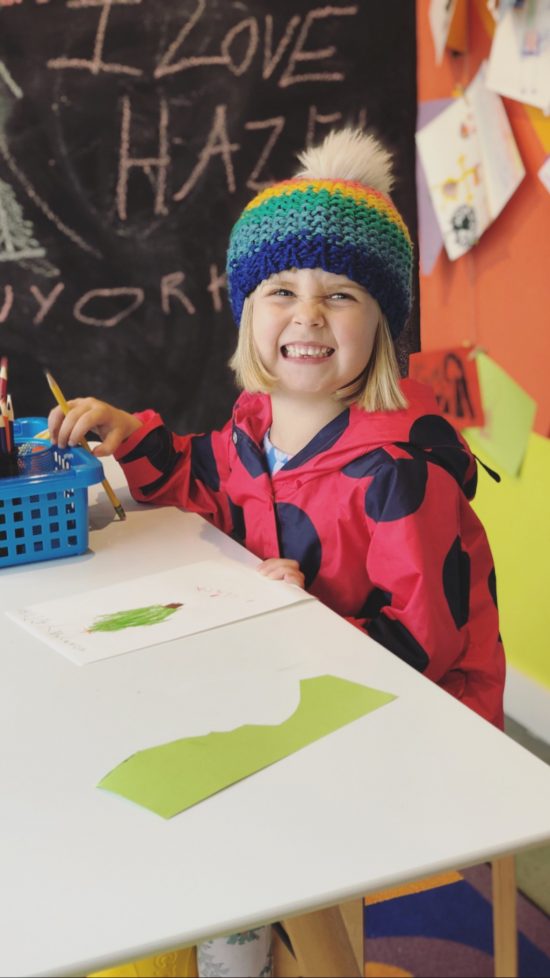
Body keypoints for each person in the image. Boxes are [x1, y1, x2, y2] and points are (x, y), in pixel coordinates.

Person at [50, 128, 505, 978]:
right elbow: (202, 483)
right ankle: (259, 933)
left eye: (342, 296)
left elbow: (425, 648)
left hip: (411, 725)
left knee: (215, 811)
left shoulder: (400, 473)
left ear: (385, 325)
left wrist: (311, 620)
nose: (306, 315)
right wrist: (133, 436)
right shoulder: (256, 432)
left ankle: (250, 949)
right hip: (301, 689)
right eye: (281, 290)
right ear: (248, 312)